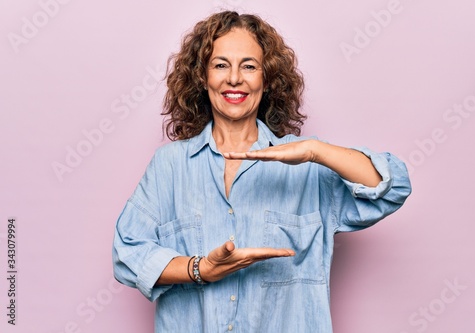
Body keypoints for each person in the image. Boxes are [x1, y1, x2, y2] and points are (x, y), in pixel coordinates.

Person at [112, 11, 411, 333]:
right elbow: (128, 253)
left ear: (266, 80)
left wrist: (315, 150)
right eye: (221, 65)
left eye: (249, 66)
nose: (235, 79)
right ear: (202, 77)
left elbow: (391, 188)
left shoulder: (307, 164)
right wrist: (201, 269)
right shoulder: (169, 165)